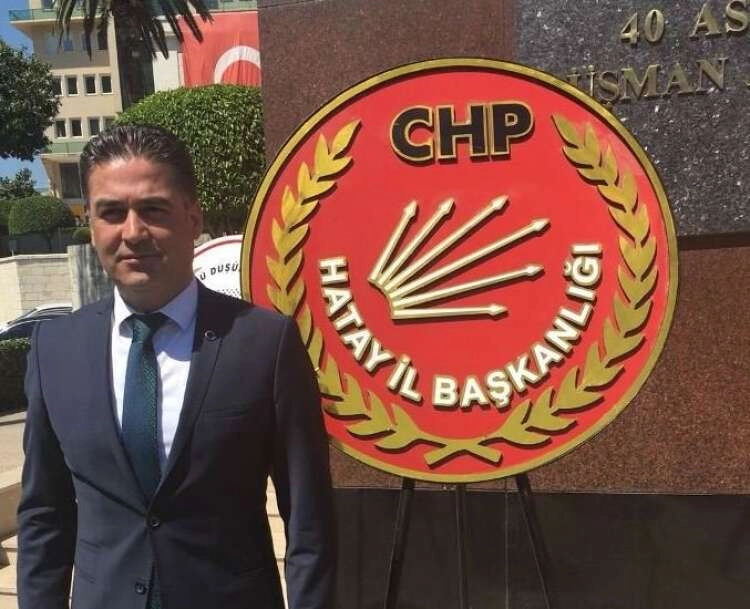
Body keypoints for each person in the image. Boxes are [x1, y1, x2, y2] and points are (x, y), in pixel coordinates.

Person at [17, 124, 336, 609]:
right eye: (111, 213)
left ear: (192, 217)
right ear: (93, 225)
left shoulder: (265, 344)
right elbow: (45, 515)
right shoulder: (54, 350)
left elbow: (310, 520)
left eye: (153, 209)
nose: (132, 232)